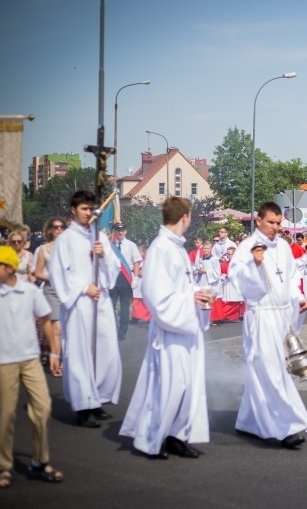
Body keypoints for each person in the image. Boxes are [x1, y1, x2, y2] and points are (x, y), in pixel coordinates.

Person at [120, 196, 213, 460]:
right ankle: (151, 438)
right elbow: (155, 294)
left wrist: (197, 293)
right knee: (169, 386)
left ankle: (177, 435)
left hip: (186, 327)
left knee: (188, 385)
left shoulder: (179, 249)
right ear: (185, 216)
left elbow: (180, 288)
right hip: (170, 329)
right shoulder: (161, 247)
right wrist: (189, 299)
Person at [228, 201, 307, 449]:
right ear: (259, 220)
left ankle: (249, 421)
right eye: (271, 223)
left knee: (273, 371)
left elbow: (291, 277)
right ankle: (287, 427)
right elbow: (236, 279)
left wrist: (298, 297)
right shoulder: (246, 247)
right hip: (262, 317)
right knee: (269, 371)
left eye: (278, 223)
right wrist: (253, 264)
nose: (275, 228)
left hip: (282, 316)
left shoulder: (284, 247)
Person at [0, 245, 64, 488]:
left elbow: (45, 320)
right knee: (5, 414)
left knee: (42, 409)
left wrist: (54, 352)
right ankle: (3, 467)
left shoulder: (30, 291)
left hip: (31, 360)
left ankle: (39, 463)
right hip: (3, 361)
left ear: (9, 268)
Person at [48, 190, 121, 428]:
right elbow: (59, 274)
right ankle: (82, 406)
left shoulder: (99, 237)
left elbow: (114, 269)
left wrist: (104, 257)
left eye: (91, 209)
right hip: (79, 303)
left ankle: (96, 399)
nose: (88, 213)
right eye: (84, 209)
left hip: (101, 303)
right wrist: (83, 288)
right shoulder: (65, 240)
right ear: (73, 210)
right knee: (80, 354)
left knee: (103, 352)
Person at [32, 217, 66, 375]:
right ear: (50, 230)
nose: (59, 230)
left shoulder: (70, 248)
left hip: (69, 290)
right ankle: (56, 362)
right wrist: (53, 276)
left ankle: (68, 361)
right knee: (57, 328)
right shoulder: (43, 249)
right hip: (51, 290)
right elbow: (37, 273)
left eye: (61, 227)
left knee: (70, 328)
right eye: (55, 227)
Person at [109, 222, 143, 341]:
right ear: (115, 231)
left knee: (124, 306)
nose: (121, 232)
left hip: (125, 277)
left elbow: (136, 262)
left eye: (123, 230)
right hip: (113, 277)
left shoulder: (131, 245)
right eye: (118, 230)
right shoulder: (110, 245)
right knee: (110, 306)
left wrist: (136, 278)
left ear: (126, 231)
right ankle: (112, 330)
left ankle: (121, 332)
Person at [131, 245, 151, 322]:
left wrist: (143, 273)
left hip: (144, 283)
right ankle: (135, 316)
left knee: (145, 301)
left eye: (140, 252)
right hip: (137, 283)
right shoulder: (137, 262)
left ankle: (148, 317)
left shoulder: (149, 261)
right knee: (136, 300)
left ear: (144, 253)